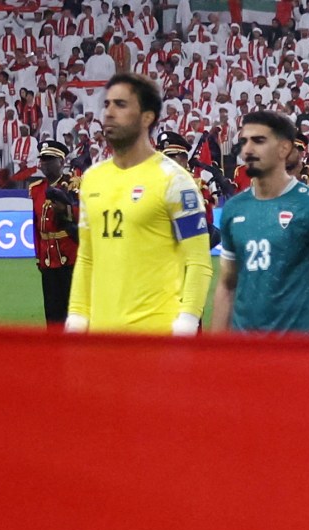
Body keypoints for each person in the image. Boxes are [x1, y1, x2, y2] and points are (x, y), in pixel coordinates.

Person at [67, 74, 214, 335]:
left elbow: (199, 261)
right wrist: (77, 319)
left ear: (147, 117)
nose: (109, 112)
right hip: (102, 339)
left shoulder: (174, 181)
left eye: (121, 104)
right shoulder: (92, 178)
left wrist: (187, 323)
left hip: (156, 338)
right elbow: (87, 257)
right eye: (107, 104)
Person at [211, 110, 309, 336]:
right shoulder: (234, 209)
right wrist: (216, 350)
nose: (247, 150)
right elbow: (227, 285)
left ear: (284, 148)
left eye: (258, 141)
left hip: (297, 349)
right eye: (244, 141)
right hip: (245, 349)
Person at [28, 139, 78, 326]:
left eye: (50, 159)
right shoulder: (36, 189)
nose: (45, 163)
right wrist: (39, 258)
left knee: (72, 314)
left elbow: (81, 218)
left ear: (62, 162)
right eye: (43, 159)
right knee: (52, 314)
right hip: (48, 260)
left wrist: (66, 212)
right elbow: (36, 226)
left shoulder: (72, 185)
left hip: (69, 258)